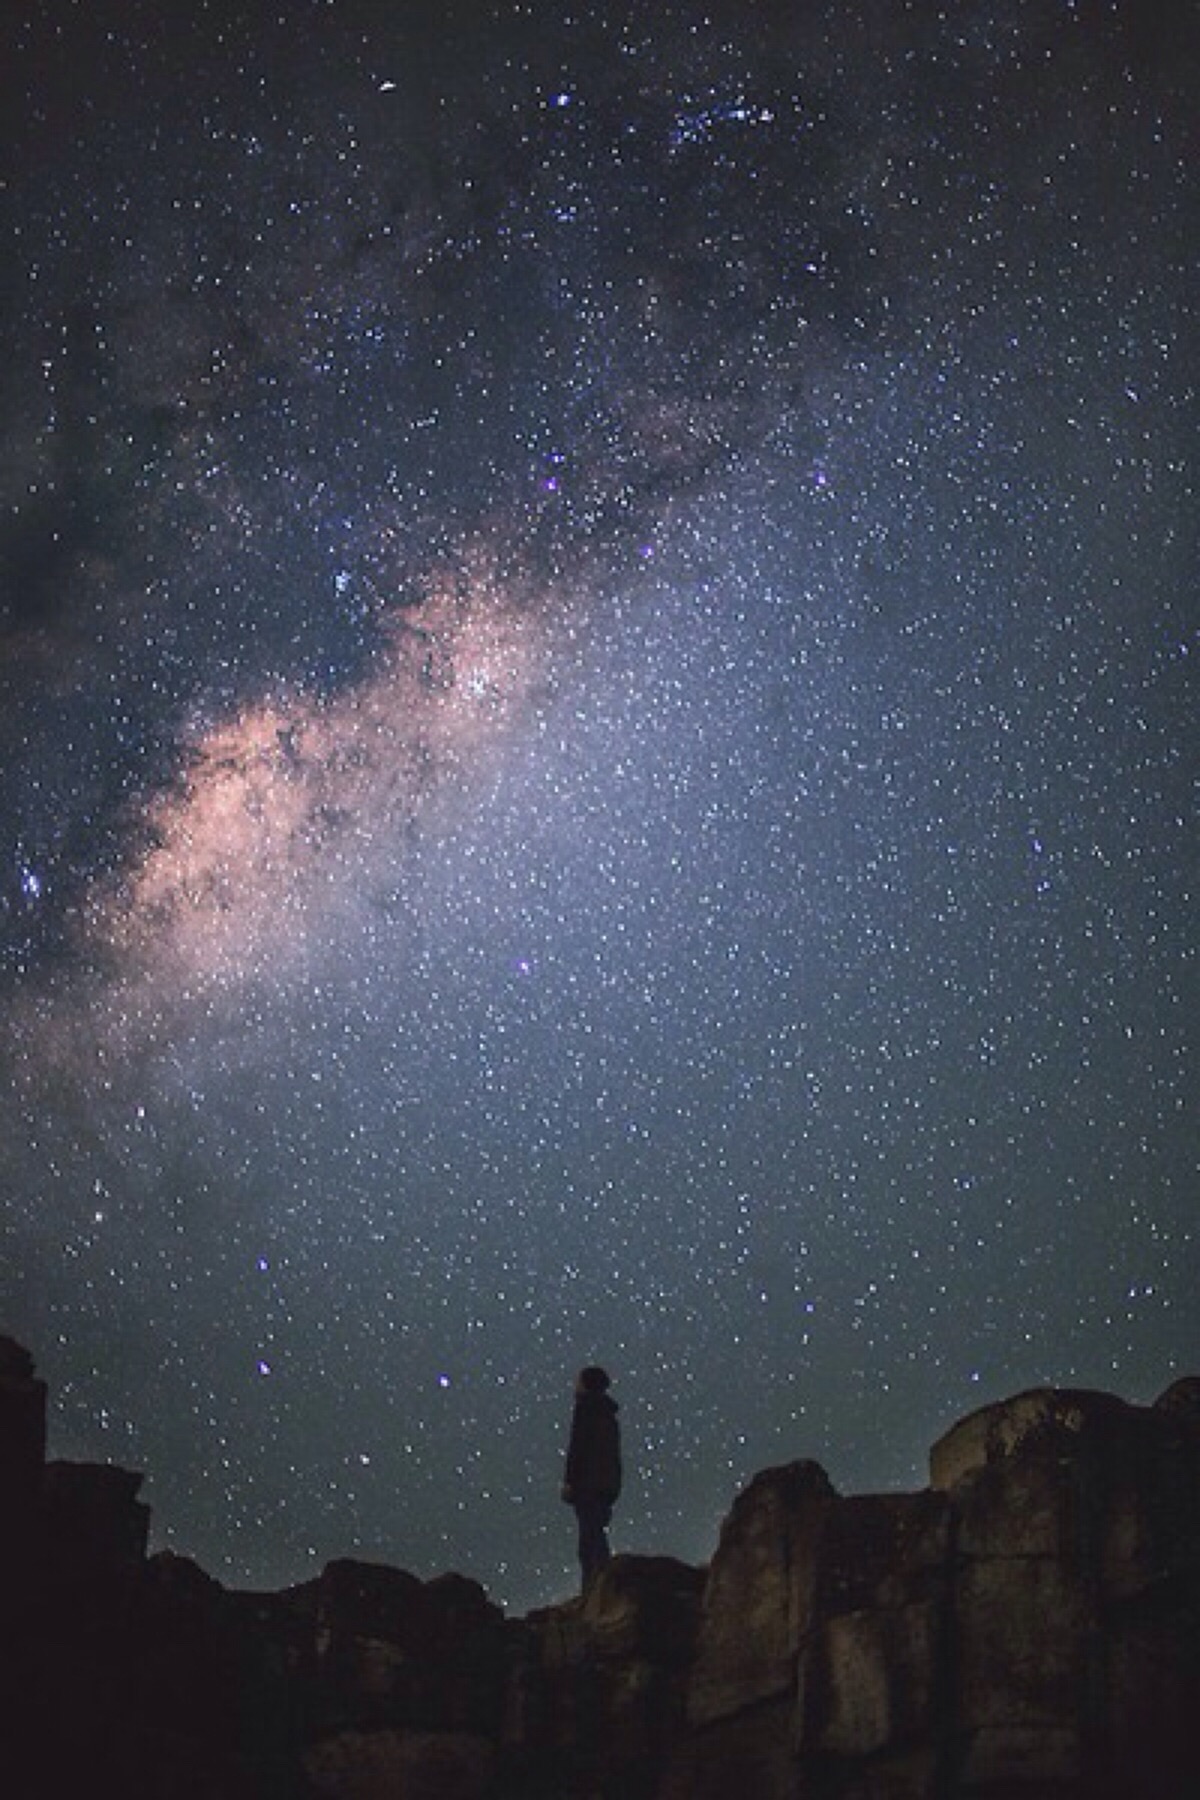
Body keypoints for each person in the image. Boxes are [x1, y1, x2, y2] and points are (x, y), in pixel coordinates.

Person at [561, 1364, 622, 1588]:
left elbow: (578, 1447)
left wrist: (570, 1481)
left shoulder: (586, 1409)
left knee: (589, 1540)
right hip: (606, 1485)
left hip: (587, 1484)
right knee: (597, 1533)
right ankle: (602, 1583)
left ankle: (595, 1587)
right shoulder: (608, 1414)